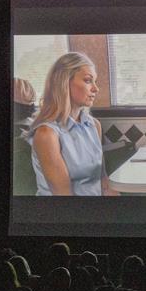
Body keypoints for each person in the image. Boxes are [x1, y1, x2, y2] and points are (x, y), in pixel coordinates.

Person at [26, 52, 118, 196]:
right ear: (64, 83)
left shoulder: (94, 125)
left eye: (95, 81)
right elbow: (65, 197)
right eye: (88, 81)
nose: (96, 88)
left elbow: (104, 185)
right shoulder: (47, 134)